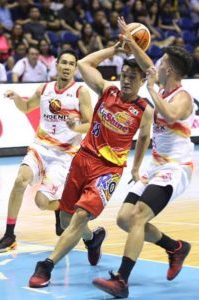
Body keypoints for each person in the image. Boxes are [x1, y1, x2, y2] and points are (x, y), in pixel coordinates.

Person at [28, 37, 154, 288]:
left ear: (142, 81)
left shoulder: (144, 109)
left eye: (133, 77)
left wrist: (137, 166)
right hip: (83, 159)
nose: (127, 80)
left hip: (108, 170)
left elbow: (144, 138)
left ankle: (46, 265)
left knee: (80, 215)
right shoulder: (108, 90)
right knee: (66, 220)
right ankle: (92, 239)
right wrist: (115, 49)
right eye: (125, 75)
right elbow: (85, 63)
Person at [92, 17, 195, 298]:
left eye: (161, 63)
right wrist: (129, 37)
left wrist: (150, 90)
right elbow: (145, 62)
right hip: (156, 166)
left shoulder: (183, 96)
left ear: (170, 69)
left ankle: (121, 280)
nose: (155, 65)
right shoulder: (162, 84)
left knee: (138, 216)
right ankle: (175, 248)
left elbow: (172, 115)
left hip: (176, 168)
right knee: (125, 219)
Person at [0, 49, 93, 253]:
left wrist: (75, 128)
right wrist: (15, 96)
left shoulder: (80, 92)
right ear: (56, 65)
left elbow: (91, 124)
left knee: (41, 202)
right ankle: (9, 234)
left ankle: (59, 208)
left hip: (63, 155)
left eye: (71, 64)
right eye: (64, 63)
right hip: (40, 148)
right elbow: (25, 108)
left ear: (75, 69)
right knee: (19, 181)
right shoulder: (45, 88)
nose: (67, 67)